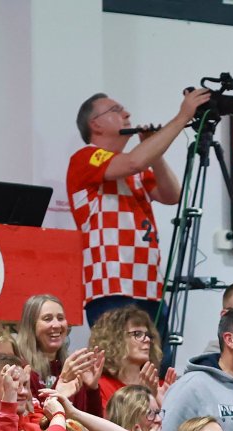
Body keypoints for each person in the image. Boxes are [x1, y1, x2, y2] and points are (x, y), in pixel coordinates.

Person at [67, 87, 209, 323]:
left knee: (161, 360)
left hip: (151, 289)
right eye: (116, 110)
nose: (127, 114)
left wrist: (156, 153)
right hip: (112, 289)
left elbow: (173, 194)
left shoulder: (134, 171)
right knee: (122, 358)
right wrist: (182, 117)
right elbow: (134, 162)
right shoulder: (86, 157)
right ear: (96, 125)